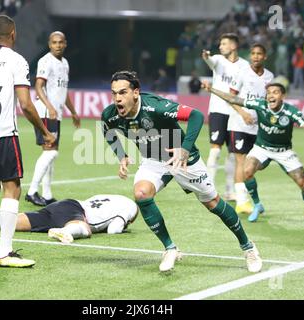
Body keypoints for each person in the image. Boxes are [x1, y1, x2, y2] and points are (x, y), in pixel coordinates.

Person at [101, 70, 262, 273]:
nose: (117, 98)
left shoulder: (155, 106)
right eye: (114, 93)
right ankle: (170, 248)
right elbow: (106, 128)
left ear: (135, 93)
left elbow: (195, 115)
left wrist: (185, 149)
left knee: (213, 203)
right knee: (142, 194)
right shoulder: (111, 114)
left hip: (183, 158)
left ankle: (248, 247)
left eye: (122, 92)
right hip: (153, 160)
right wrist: (121, 155)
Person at [0, 15, 55, 268]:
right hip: (3, 133)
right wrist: (45, 132)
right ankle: (5, 252)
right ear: (13, 33)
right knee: (12, 189)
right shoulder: (17, 61)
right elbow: (26, 104)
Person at [201, 80, 304, 224]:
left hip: (284, 151)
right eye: (269, 93)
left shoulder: (291, 111)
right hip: (262, 148)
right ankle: (258, 205)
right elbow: (233, 99)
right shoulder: (260, 104)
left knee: (303, 183)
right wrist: (211, 89)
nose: (271, 95)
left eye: (275, 92)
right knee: (246, 171)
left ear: (283, 96)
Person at [0, 195, 139, 243]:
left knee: (9, 221)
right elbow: (114, 230)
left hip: (64, 205)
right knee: (84, 228)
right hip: (75, 213)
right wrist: (125, 226)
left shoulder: (116, 198)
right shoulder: (128, 210)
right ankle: (66, 232)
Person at [25, 31, 81, 206]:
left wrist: (72, 112)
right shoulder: (45, 61)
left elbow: (63, 91)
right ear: (49, 44)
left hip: (56, 114)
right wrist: (49, 107)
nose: (57, 45)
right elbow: (38, 86)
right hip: (45, 112)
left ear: (65, 44)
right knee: (51, 152)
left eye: (60, 42)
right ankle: (32, 191)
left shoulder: (65, 63)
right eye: (54, 42)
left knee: (50, 154)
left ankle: (47, 194)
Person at [227, 44, 274, 218]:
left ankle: (245, 197)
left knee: (256, 164)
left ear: (265, 57)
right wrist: (243, 113)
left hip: (258, 127)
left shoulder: (270, 76)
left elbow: (270, 101)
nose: (255, 56)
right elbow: (230, 97)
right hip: (239, 124)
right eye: (253, 54)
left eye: (259, 54)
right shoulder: (242, 73)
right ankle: (241, 202)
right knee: (241, 161)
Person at [202, 33, 250, 201]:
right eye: (220, 43)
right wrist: (206, 56)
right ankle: (208, 189)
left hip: (235, 113)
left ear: (233, 46)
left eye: (224, 44)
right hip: (217, 110)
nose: (220, 46)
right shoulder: (217, 60)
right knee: (215, 150)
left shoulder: (245, 66)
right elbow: (210, 60)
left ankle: (230, 191)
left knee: (232, 154)